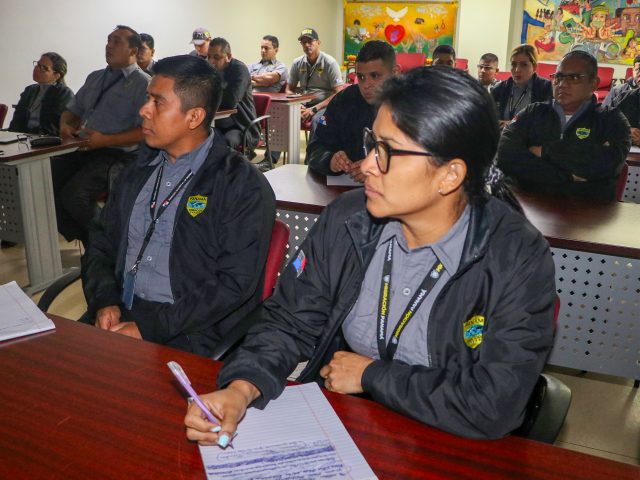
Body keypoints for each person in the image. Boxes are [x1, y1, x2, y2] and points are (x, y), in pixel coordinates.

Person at [183, 67, 557, 445]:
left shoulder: (516, 257)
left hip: (449, 442)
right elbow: (289, 321)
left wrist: (371, 375)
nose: (366, 166)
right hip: (352, 426)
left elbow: (494, 403)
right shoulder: (349, 220)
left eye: (387, 152)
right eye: (371, 144)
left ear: (450, 175)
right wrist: (240, 389)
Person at [81, 55, 276, 357]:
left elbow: (233, 284)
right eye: (147, 98)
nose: (144, 110)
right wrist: (105, 299)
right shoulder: (135, 170)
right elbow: (101, 242)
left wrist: (150, 327)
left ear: (194, 117)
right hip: (121, 312)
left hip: (190, 331)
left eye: (157, 102)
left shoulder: (240, 185)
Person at [53, 25, 150, 244]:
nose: (109, 46)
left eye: (117, 42)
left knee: (75, 194)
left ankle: (105, 244)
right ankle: (93, 242)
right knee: (45, 183)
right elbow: (72, 110)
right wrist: (65, 126)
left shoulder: (143, 84)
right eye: (108, 40)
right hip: (84, 147)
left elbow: (144, 131)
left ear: (133, 51)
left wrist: (105, 140)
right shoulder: (95, 77)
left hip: (117, 154)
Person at [497, 51, 630, 202]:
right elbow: (504, 155)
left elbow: (609, 164)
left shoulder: (611, 119)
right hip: (531, 205)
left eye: (574, 78)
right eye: (558, 77)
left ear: (594, 83)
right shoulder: (532, 113)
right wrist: (565, 175)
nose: (562, 84)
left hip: (587, 209)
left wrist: (545, 151)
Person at [307, 40, 398, 183]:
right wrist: (330, 159)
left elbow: (426, 162)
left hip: (396, 192)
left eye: (375, 76)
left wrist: (381, 167)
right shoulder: (344, 99)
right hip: (343, 188)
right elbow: (316, 148)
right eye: (361, 77)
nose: (366, 85)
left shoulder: (415, 106)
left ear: (395, 73)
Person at [207, 37, 259, 151]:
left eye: (216, 57)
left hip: (240, 125)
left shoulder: (239, 70)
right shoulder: (211, 70)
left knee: (224, 142)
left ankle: (232, 161)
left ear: (229, 57)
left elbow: (231, 101)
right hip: (217, 123)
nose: (211, 61)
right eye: (209, 57)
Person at [248, 34, 289, 169]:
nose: (263, 51)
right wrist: (262, 79)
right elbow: (244, 78)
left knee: (283, 118)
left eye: (266, 48)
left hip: (272, 108)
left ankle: (269, 160)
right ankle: (247, 151)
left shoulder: (281, 67)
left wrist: (253, 79)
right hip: (250, 104)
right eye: (261, 48)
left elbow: (270, 79)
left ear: (276, 50)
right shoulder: (253, 65)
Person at [8, 52, 74, 135]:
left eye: (44, 68)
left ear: (56, 76)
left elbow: (51, 128)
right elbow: (16, 121)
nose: (37, 69)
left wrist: (27, 136)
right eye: (38, 65)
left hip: (45, 139)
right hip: (22, 137)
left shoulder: (64, 93)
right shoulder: (29, 90)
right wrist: (11, 135)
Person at [287, 28, 344, 124]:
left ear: (318, 42)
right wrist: (297, 104)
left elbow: (338, 93)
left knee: (318, 121)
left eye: (310, 41)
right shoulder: (297, 63)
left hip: (324, 106)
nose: (307, 45)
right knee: (282, 117)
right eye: (303, 42)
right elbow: (289, 89)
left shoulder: (330, 63)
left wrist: (314, 109)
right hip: (303, 105)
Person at [490, 44, 552, 127]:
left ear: (534, 67)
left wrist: (512, 124)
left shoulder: (546, 88)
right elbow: (488, 119)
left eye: (524, 65)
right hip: (503, 135)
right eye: (513, 64)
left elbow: (547, 122)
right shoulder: (498, 89)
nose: (517, 70)